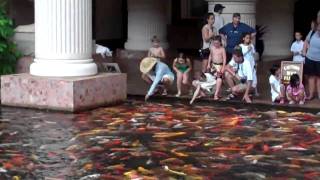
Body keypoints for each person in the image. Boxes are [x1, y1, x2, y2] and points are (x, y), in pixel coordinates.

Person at [303, 23, 320, 100]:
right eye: (319, 27)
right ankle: (311, 95)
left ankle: (319, 95)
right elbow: (306, 41)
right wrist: (304, 52)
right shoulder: (312, 32)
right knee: (311, 77)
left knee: (319, 78)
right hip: (309, 58)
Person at [207, 35, 226, 100]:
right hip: (213, 65)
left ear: (220, 42)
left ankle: (216, 94)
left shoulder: (222, 49)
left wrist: (223, 67)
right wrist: (208, 64)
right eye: (214, 43)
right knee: (214, 79)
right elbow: (210, 56)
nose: (216, 44)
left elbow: (224, 59)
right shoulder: (212, 48)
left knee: (219, 79)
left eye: (217, 43)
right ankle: (216, 93)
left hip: (220, 65)